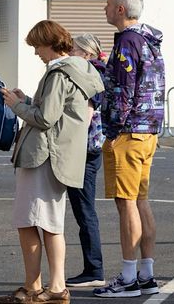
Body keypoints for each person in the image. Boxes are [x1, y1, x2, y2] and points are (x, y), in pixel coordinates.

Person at [0, 20, 103, 304]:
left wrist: (15, 105)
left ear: (50, 43)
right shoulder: (78, 70)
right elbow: (57, 111)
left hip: (43, 155)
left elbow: (45, 118)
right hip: (58, 155)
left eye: (37, 47)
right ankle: (49, 286)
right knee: (49, 223)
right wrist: (27, 100)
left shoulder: (58, 73)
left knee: (31, 221)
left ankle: (41, 287)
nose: (36, 53)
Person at [95, 0, 165, 299]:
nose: (105, 9)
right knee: (140, 201)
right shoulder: (150, 40)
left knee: (126, 206)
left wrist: (114, 129)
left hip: (128, 132)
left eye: (109, 4)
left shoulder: (126, 42)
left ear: (121, 9)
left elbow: (124, 89)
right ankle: (145, 272)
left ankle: (127, 277)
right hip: (148, 130)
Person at [64, 33, 107, 289]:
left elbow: (86, 116)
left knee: (84, 210)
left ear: (88, 54)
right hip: (92, 148)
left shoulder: (91, 76)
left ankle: (94, 268)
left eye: (74, 49)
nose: (69, 52)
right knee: (84, 209)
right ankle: (93, 267)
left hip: (85, 149)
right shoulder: (96, 73)